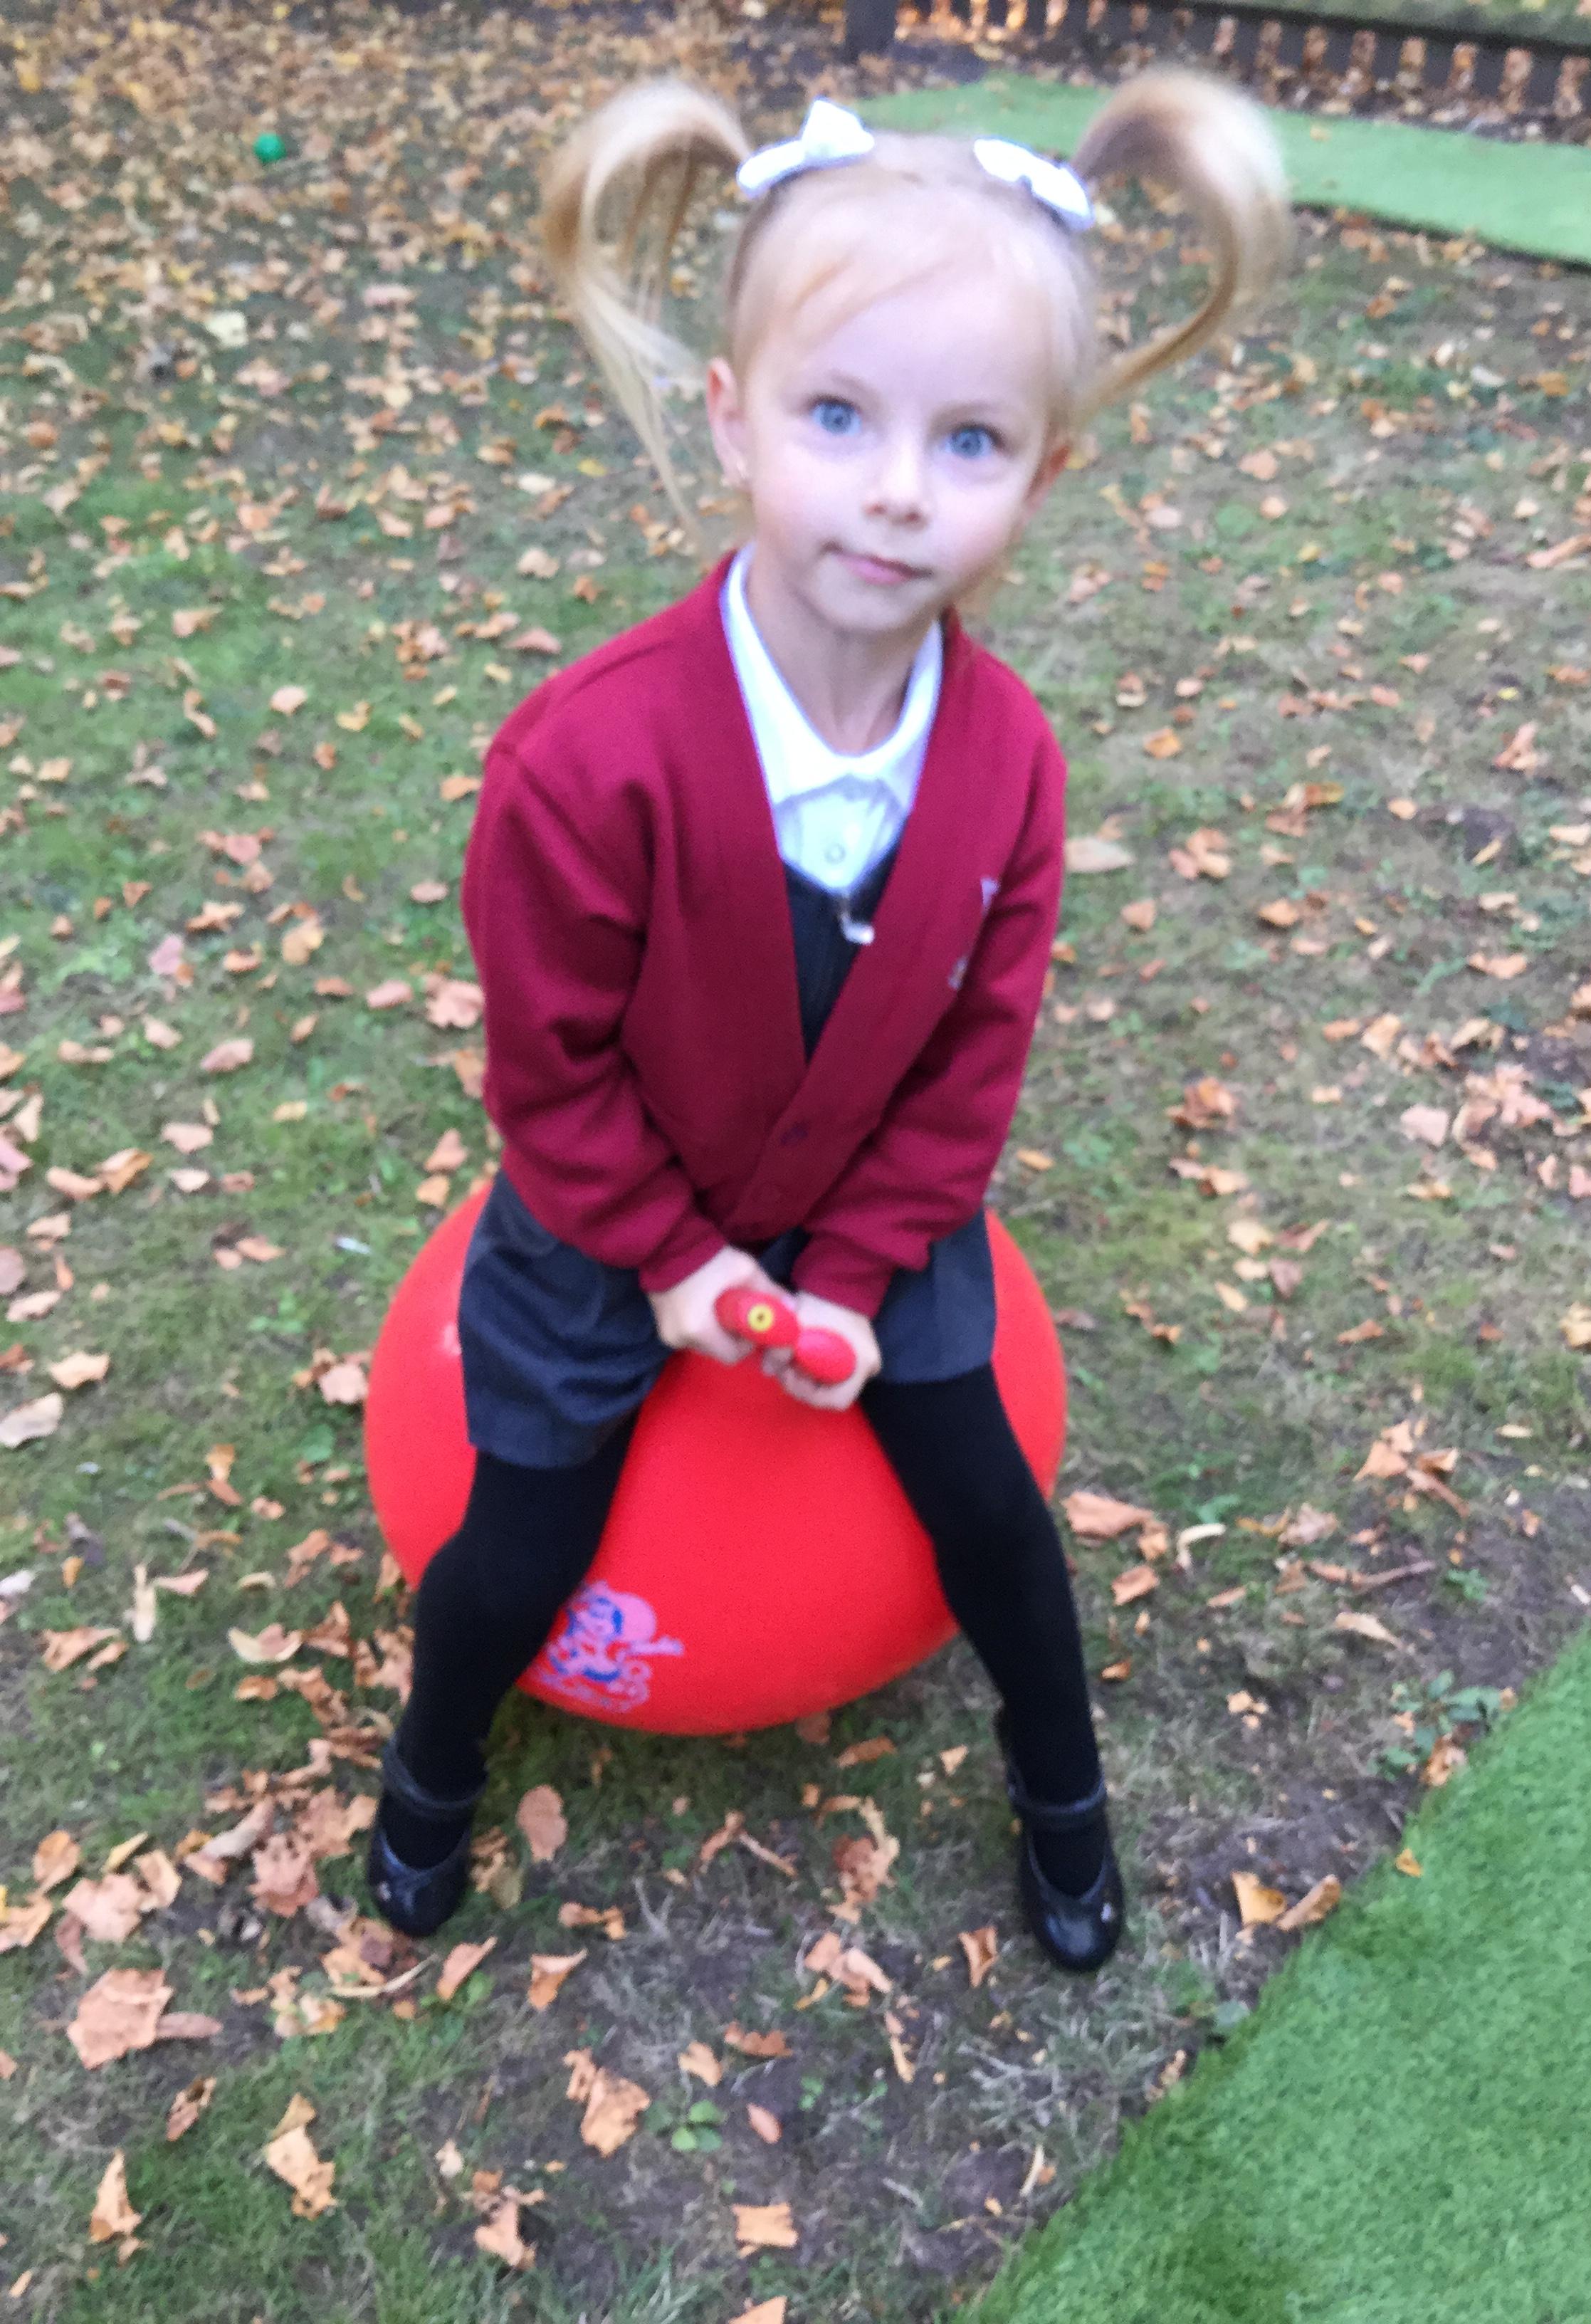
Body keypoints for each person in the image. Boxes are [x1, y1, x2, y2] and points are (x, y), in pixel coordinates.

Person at [367, 73, 1287, 1971]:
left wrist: (858, 1275)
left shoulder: (1010, 768)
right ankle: (428, 1777)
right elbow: (551, 1077)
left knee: (997, 1522)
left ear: (1041, 477)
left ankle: (1065, 1802)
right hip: (608, 1227)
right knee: (517, 1551)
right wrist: (676, 1262)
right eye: (840, 415)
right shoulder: (585, 762)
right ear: (735, 417)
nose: (898, 487)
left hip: (878, 1219)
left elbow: (966, 1077)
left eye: (970, 438)